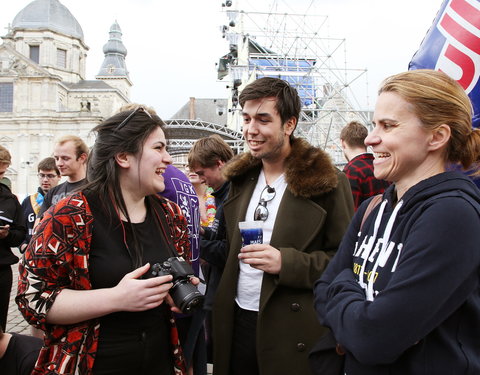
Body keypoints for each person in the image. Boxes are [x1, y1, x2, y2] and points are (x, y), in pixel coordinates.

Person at [314, 69, 480, 374]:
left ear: (437, 136)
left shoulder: (452, 216)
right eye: (374, 125)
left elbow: (373, 338)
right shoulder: (374, 208)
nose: (370, 138)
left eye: (388, 126)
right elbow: (322, 287)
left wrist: (345, 289)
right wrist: (359, 307)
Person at [16, 106, 198, 375]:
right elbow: (32, 299)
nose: (168, 158)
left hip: (160, 360)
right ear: (123, 156)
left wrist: (172, 291)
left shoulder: (171, 215)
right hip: (90, 362)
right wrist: (116, 298)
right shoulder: (69, 216)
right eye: (158, 148)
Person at [213, 77, 354, 375]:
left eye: (263, 120)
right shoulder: (239, 180)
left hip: (291, 328)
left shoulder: (327, 182)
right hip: (236, 319)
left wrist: (285, 262)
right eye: (247, 118)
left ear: (289, 124)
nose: (251, 129)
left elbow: (345, 262)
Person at [188, 135, 234, 365]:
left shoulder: (234, 195)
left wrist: (194, 241)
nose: (203, 180)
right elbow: (222, 236)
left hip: (226, 290)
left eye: (203, 172)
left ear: (219, 163)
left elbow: (229, 251)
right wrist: (203, 233)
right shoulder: (223, 193)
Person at [0, 145, 26, 332]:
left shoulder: (9, 199)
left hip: (1, 268)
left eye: (2, 173)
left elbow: (19, 235)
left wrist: (7, 234)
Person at [340, 121, 390, 211]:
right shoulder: (381, 166)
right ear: (365, 141)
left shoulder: (351, 172)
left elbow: (350, 214)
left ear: (343, 143)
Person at [37, 135, 88, 219]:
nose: (59, 164)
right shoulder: (52, 193)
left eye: (65, 158)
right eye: (57, 158)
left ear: (82, 158)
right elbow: (39, 227)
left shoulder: (97, 189)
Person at [20, 157, 60, 252]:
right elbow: (20, 228)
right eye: (41, 175)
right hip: (31, 255)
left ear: (59, 176)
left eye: (50, 176)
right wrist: (22, 245)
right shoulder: (28, 201)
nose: (45, 180)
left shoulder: (65, 201)